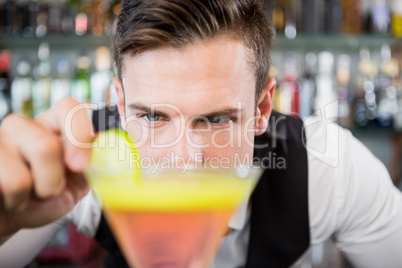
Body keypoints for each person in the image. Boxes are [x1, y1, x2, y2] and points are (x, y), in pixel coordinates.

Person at [1, 0, 402, 267]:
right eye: (154, 117)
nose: (185, 159)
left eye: (216, 120)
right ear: (120, 106)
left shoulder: (327, 168)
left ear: (263, 109)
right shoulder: (82, 159)